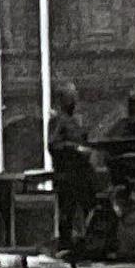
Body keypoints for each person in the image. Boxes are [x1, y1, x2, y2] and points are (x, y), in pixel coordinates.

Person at [46, 85, 97, 252]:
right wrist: (75, 148)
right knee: (67, 211)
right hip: (67, 174)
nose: (74, 102)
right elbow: (53, 145)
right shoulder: (58, 120)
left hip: (81, 173)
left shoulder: (73, 121)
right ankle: (65, 245)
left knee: (88, 208)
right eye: (71, 98)